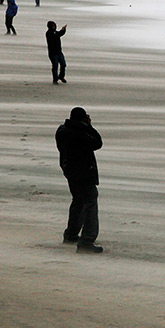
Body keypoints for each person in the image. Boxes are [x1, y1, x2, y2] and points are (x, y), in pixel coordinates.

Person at [55, 107, 104, 253]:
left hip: (69, 170)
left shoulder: (62, 130)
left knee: (78, 200)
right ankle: (86, 240)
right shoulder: (79, 133)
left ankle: (71, 234)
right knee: (90, 201)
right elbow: (97, 143)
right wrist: (89, 126)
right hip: (83, 172)